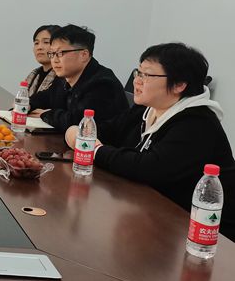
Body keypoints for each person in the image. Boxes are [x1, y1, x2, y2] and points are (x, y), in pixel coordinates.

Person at [65, 42, 234, 239]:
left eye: (147, 75)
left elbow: (148, 168)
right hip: (152, 212)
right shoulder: (147, 109)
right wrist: (76, 132)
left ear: (179, 84)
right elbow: (104, 131)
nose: (137, 81)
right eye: (138, 72)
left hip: (205, 234)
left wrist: (94, 149)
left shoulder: (198, 123)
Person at [28, 24, 128, 131]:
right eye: (52, 53)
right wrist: (28, 104)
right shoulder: (63, 78)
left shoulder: (103, 84)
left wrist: (47, 114)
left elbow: (78, 121)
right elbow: (46, 97)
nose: (54, 60)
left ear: (83, 55)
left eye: (60, 53)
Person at [24, 24, 61, 96]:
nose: (39, 47)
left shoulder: (64, 76)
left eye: (46, 42)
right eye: (36, 43)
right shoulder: (33, 75)